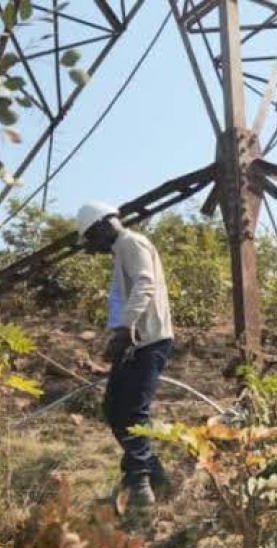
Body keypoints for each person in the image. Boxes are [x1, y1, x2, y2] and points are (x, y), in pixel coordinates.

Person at [76, 202, 174, 508]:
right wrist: (120, 333)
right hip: (135, 343)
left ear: (102, 226)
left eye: (92, 237)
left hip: (148, 341)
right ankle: (153, 472)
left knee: (133, 411)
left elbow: (145, 283)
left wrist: (126, 328)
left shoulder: (131, 242)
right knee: (114, 407)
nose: (95, 245)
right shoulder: (121, 250)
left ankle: (139, 484)